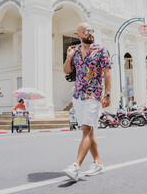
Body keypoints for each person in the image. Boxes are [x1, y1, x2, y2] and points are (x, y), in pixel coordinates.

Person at [62, 22, 111, 182]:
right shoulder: (75, 52)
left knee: (86, 129)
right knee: (89, 131)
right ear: (79, 35)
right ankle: (98, 163)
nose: (90, 34)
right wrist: (69, 57)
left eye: (91, 31)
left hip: (93, 95)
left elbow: (107, 73)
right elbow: (67, 70)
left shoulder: (100, 50)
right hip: (78, 96)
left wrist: (107, 94)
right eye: (86, 31)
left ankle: (76, 166)